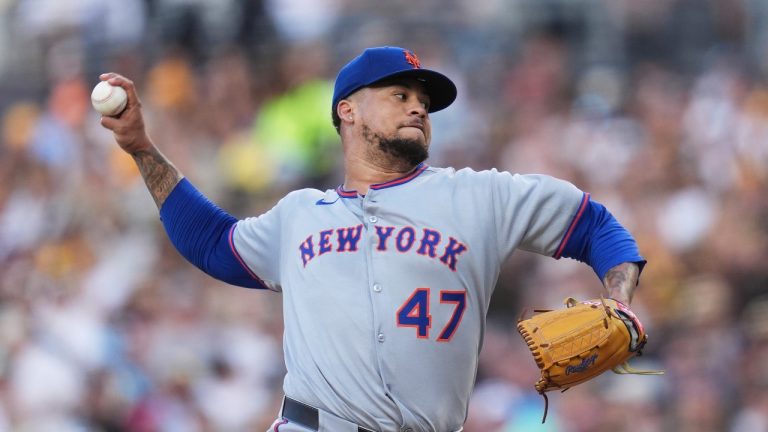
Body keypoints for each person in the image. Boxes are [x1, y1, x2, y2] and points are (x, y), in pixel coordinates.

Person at [99, 46, 646, 432]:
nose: (418, 108)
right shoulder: (299, 215)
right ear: (348, 110)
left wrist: (620, 300)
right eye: (400, 93)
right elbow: (213, 243)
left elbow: (596, 225)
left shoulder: (480, 197)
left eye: (424, 103)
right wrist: (142, 149)